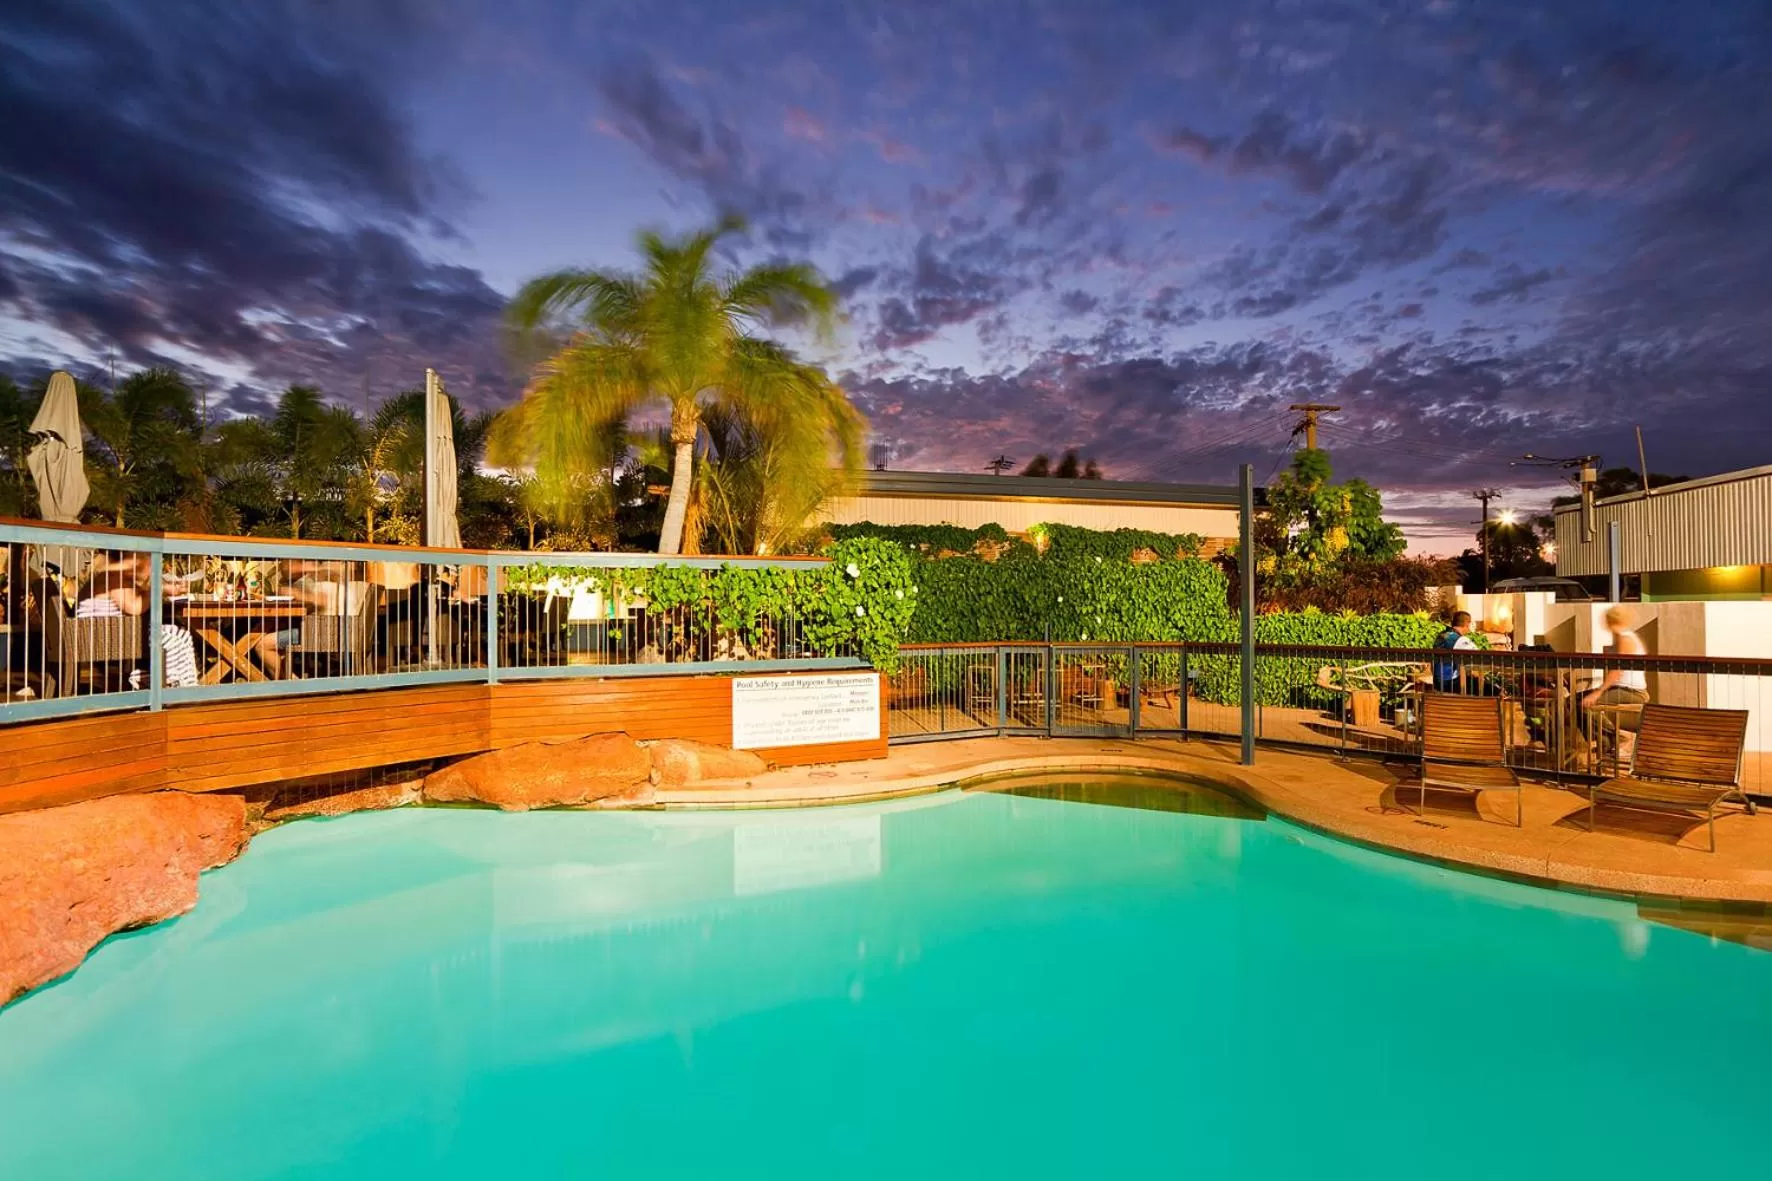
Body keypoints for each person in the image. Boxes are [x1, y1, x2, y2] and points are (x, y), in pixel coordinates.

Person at [75, 552, 200, 688]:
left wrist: (161, 588)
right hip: (109, 639)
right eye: (149, 563)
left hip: (101, 636)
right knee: (178, 635)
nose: (151, 569)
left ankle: (166, 681)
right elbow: (134, 607)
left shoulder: (108, 575)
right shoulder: (115, 577)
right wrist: (158, 590)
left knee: (173, 632)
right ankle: (179, 686)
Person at [1578, 604, 1650, 731]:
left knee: (1587, 704)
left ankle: (1615, 738)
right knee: (1575, 699)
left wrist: (1597, 692)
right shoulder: (1622, 637)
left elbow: (1617, 671)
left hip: (1632, 691)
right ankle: (1605, 740)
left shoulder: (1625, 639)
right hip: (1622, 689)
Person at [1432, 611, 1477, 692]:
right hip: (1449, 683)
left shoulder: (1443, 635)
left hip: (1438, 681)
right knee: (1491, 689)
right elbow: (1479, 655)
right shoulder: (1457, 639)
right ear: (1467, 624)